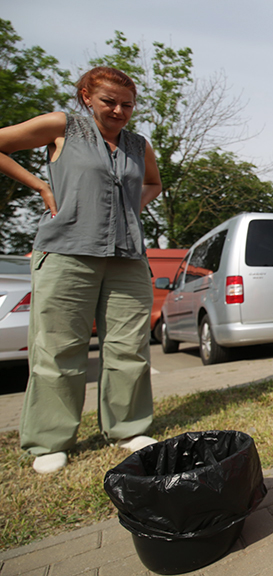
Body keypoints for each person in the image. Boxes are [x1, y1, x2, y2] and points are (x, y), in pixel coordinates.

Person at [0, 67, 162, 475]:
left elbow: (152, 184)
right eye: (109, 101)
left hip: (127, 257)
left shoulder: (138, 145)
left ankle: (128, 428)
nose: (119, 110)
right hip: (66, 252)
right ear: (86, 96)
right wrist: (40, 185)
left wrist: (130, 211)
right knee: (58, 349)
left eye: (127, 104)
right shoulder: (62, 127)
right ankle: (50, 440)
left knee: (128, 347)